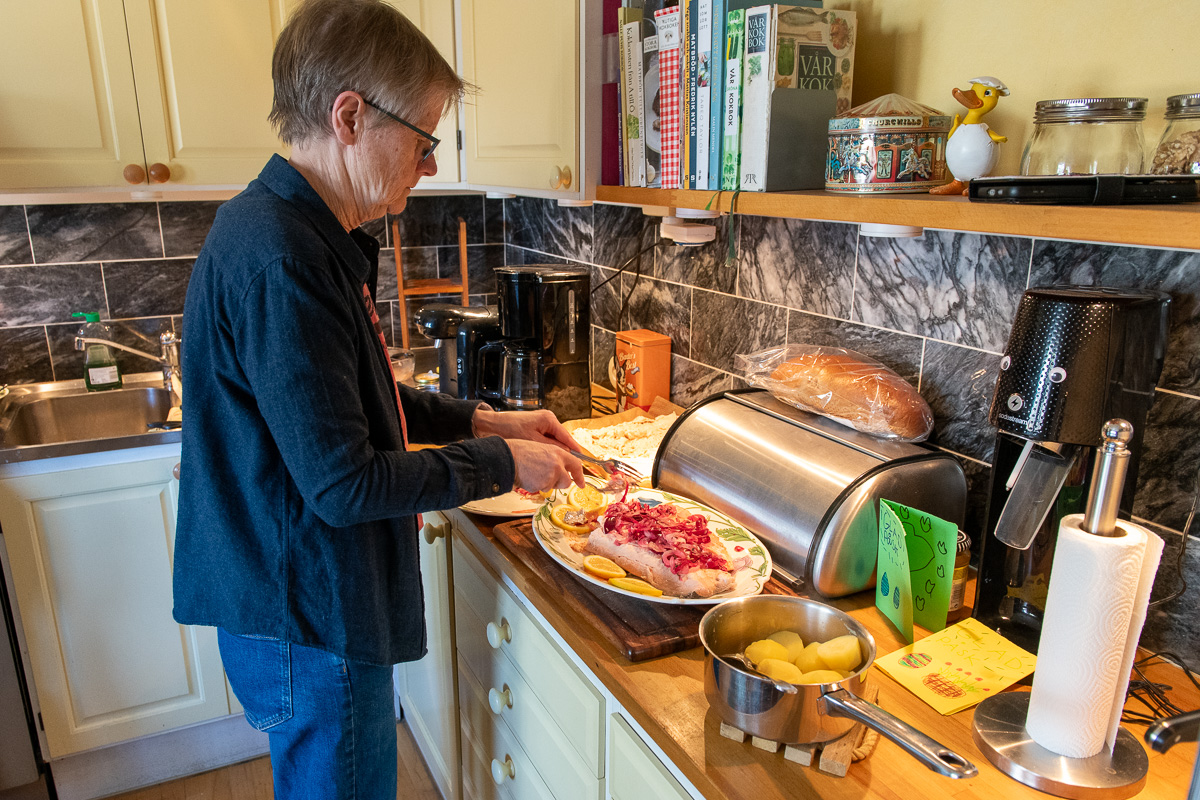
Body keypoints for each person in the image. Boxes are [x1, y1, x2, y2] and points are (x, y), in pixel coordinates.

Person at [171, 1, 584, 797]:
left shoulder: (294, 233)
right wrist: (502, 462)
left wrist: (480, 418)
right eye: (424, 138)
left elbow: (353, 396)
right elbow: (345, 481)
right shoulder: (282, 260)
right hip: (311, 618)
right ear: (350, 116)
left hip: (295, 606)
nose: (429, 165)